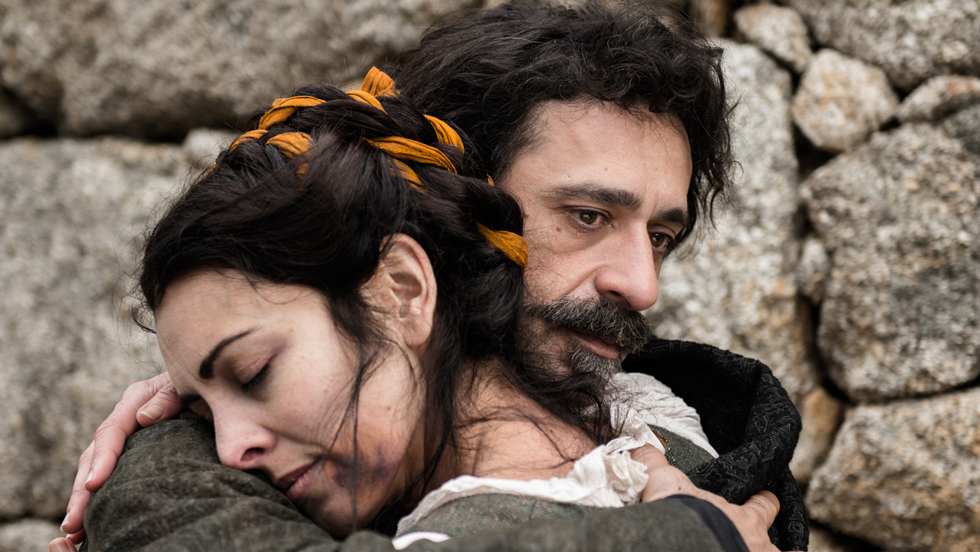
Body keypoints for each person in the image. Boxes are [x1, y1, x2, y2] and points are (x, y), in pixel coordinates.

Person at [55, 2, 805, 550]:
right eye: (587, 216)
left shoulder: (671, 430)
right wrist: (177, 423)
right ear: (455, 200)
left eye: (662, 236)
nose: (642, 286)